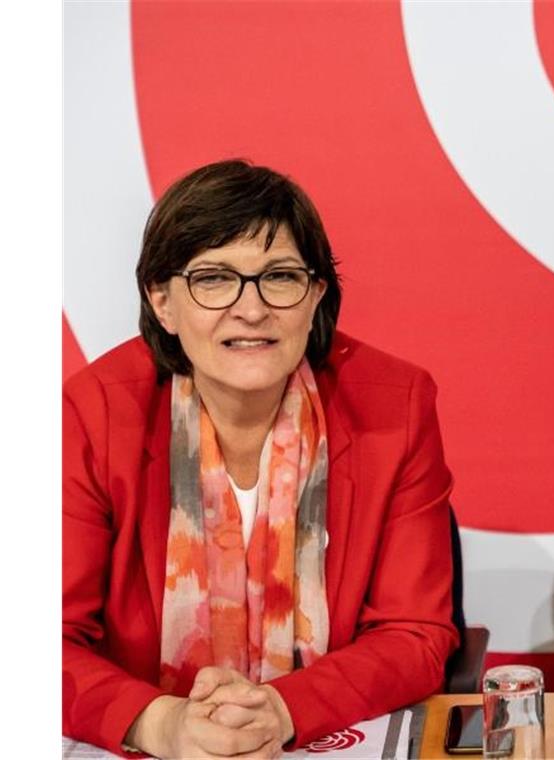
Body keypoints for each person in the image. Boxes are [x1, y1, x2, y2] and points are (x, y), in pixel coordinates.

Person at [63, 160, 459, 757]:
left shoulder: (395, 407)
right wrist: (161, 724)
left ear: (316, 295)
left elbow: (416, 632)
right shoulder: (93, 414)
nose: (251, 309)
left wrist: (281, 708)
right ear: (163, 302)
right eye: (215, 279)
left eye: (279, 276)